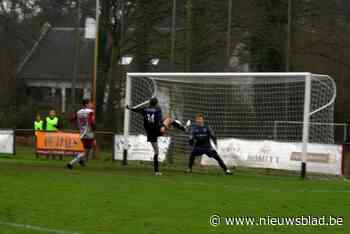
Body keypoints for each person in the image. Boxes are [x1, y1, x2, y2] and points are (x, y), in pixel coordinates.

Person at [126, 97, 187, 175]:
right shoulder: (157, 109)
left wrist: (129, 108)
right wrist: (163, 126)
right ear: (156, 103)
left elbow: (135, 109)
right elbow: (159, 120)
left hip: (150, 133)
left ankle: (156, 171)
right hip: (158, 130)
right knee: (169, 120)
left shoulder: (144, 109)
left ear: (149, 103)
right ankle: (183, 128)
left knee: (156, 151)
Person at [67, 99, 95, 169]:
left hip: (82, 133)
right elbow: (91, 121)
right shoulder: (90, 112)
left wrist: (71, 119)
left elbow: (72, 119)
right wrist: (94, 127)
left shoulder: (79, 112)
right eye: (90, 103)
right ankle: (72, 163)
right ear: (86, 104)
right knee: (87, 152)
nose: (91, 105)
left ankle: (81, 160)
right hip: (88, 133)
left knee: (88, 149)